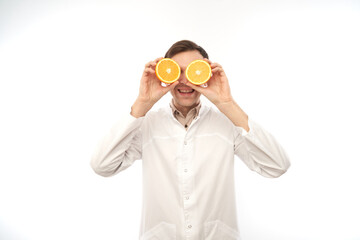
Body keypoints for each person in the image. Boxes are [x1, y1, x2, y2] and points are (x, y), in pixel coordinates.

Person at [91, 40, 290, 240]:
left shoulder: (228, 124)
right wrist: (142, 103)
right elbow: (102, 165)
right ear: (164, 74)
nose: (185, 81)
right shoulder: (146, 125)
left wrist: (227, 104)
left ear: (206, 73)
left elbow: (277, 166)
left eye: (193, 71)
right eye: (176, 72)